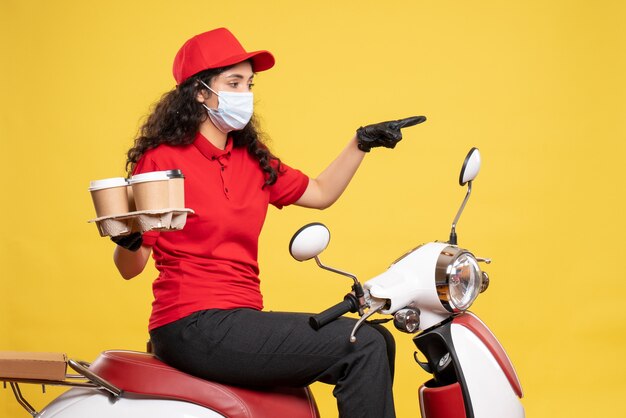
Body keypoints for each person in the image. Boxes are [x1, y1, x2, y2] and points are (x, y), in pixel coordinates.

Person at [112, 27, 425, 418]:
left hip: (241, 318)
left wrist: (360, 143)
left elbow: (321, 192)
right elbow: (131, 267)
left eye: (249, 84)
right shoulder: (163, 161)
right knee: (365, 344)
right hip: (191, 323)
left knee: (377, 338)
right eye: (233, 83)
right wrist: (128, 240)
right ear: (200, 92)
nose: (245, 94)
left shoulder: (251, 158)